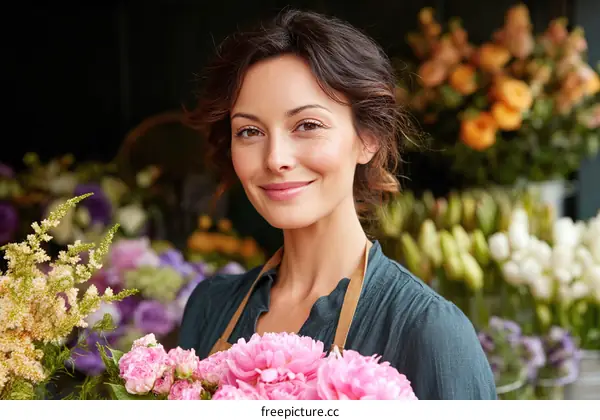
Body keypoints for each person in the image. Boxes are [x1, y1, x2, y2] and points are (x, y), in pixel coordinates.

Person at [178, 9, 497, 400]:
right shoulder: (210, 307)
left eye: (307, 125)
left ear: (368, 139)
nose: (276, 157)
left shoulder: (428, 330)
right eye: (249, 131)